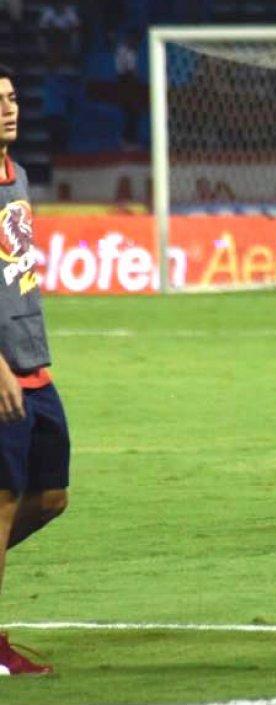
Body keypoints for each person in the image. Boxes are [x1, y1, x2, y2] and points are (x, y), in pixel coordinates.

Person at [0, 63, 69, 677]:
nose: (9, 108)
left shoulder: (16, 175)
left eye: (13, 98)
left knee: (50, 496)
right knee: (1, 500)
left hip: (33, 362)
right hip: (1, 368)